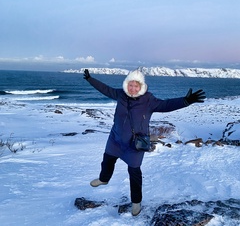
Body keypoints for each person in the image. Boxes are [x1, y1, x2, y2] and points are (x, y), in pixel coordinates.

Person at [83, 69, 206, 216]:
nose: (133, 89)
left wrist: (185, 101)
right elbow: (105, 89)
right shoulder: (120, 94)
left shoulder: (148, 100)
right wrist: (90, 79)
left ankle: (136, 202)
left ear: (141, 86)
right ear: (126, 85)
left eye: (136, 85)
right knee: (107, 159)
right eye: (130, 85)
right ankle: (104, 179)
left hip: (135, 144)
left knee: (134, 172)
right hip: (115, 139)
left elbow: (166, 105)